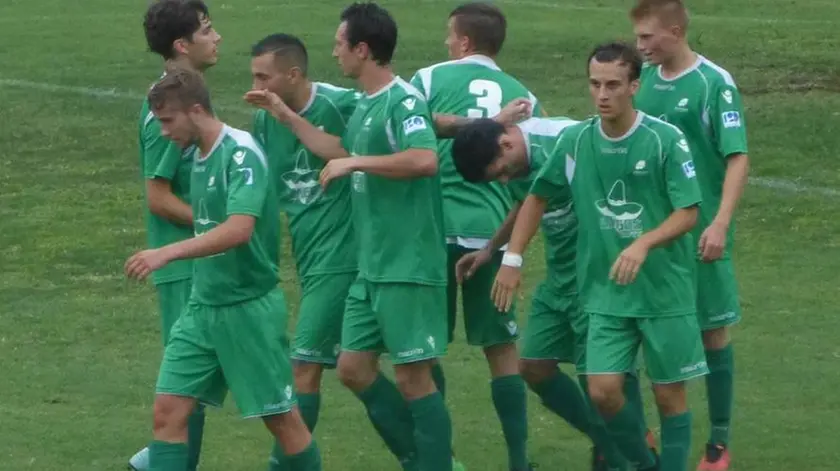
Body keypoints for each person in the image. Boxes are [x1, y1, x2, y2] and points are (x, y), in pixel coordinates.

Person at [246, 3, 454, 470]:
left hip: (407, 261)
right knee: (353, 368)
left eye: (340, 44)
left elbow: (425, 159)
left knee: (414, 378)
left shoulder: (402, 100)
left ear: (363, 49)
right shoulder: (364, 107)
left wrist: (357, 163)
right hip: (371, 265)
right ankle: (420, 456)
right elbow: (333, 150)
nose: (335, 52)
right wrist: (284, 114)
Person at [498, 42, 709, 471]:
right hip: (606, 295)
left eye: (613, 84)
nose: (602, 94)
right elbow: (537, 196)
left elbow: (688, 211)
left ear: (635, 85)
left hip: (663, 291)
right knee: (603, 390)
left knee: (669, 396)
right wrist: (511, 258)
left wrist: (643, 243)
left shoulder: (663, 140)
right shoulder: (576, 141)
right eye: (595, 84)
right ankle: (643, 464)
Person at [125, 68, 322, 471]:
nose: (163, 132)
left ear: (196, 110)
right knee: (168, 411)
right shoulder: (197, 155)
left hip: (248, 309)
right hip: (203, 307)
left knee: (283, 421)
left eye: (168, 121)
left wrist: (168, 252)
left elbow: (239, 229)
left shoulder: (241, 153)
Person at [451, 116, 656, 471]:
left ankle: (634, 455)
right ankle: (611, 439)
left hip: (600, 279)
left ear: (507, 144)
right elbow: (524, 203)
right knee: (532, 366)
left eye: (499, 171)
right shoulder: (516, 165)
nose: (503, 180)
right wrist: (490, 250)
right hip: (560, 279)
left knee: (605, 376)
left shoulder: (566, 140)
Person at [408, 4, 542, 468]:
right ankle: (518, 461)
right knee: (502, 351)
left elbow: (408, 132)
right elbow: (531, 175)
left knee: (423, 354)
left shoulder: (426, 80)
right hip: (492, 236)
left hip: (431, 233)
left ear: (464, 41)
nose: (447, 42)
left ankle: (438, 457)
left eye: (450, 35)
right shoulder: (524, 97)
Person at [630, 2, 749, 469]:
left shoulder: (712, 84)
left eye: (647, 38)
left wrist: (719, 222)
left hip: (700, 235)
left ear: (675, 32)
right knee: (634, 326)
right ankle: (636, 432)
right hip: (650, 232)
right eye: (637, 39)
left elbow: (736, 156)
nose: (640, 47)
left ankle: (718, 443)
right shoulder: (641, 81)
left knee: (712, 330)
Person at [246, 32, 360, 471]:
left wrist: (286, 115)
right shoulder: (262, 119)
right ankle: (433, 458)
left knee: (303, 367)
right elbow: (269, 190)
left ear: (293, 74)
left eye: (264, 76)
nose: (256, 86)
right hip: (310, 259)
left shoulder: (338, 105)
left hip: (342, 255)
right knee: (369, 370)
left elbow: (349, 152)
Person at [130, 1, 220, 469]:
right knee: (188, 387)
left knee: (196, 386)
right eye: (207, 30)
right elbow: (159, 197)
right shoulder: (162, 114)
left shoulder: (184, 99)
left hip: (195, 262)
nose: (217, 37)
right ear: (182, 45)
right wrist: (219, 228)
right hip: (183, 266)